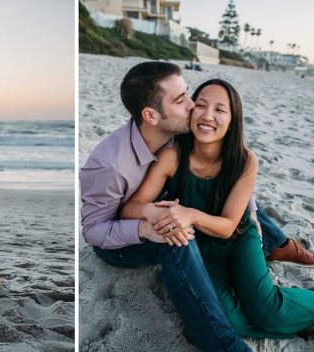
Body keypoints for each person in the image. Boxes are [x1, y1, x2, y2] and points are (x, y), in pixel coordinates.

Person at [80, 61, 314, 351]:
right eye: (183, 100)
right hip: (150, 238)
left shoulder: (191, 133)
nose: (194, 108)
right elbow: (95, 229)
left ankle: (283, 247)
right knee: (182, 244)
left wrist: (249, 213)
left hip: (220, 228)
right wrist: (146, 224)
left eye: (189, 95)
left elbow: (231, 184)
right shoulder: (112, 164)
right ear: (151, 115)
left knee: (264, 301)